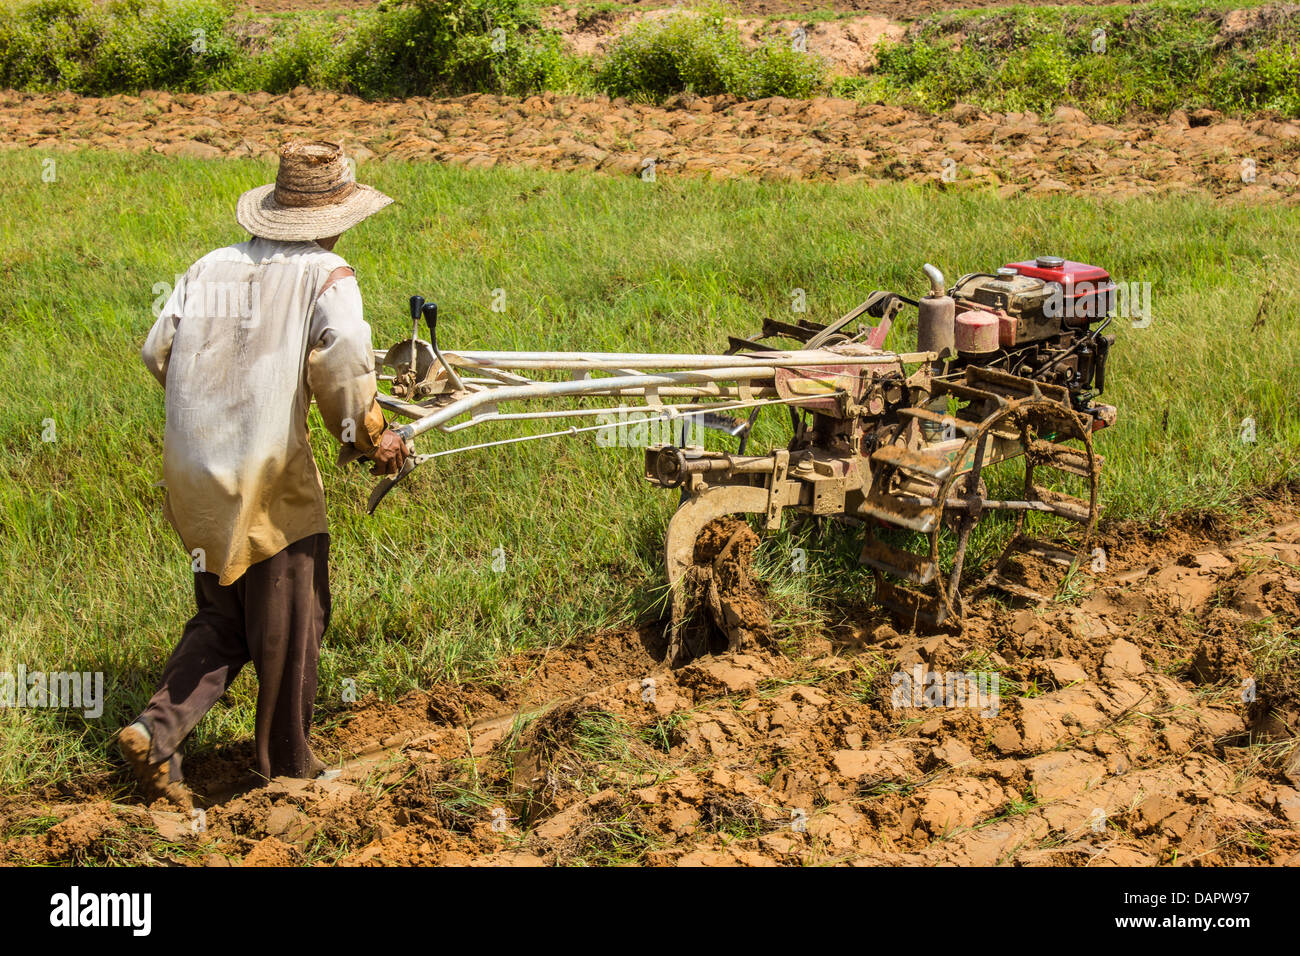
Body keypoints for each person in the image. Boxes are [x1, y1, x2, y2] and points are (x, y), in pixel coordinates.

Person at [119, 141, 407, 806]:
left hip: (194, 470)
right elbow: (342, 362)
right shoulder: (327, 272)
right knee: (292, 617)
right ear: (336, 217)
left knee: (225, 618)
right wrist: (371, 436)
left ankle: (154, 729)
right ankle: (287, 772)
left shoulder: (209, 265)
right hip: (269, 471)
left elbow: (157, 349)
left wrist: (213, 405)